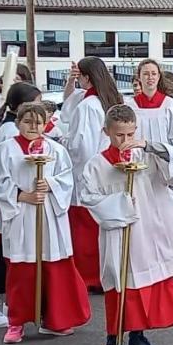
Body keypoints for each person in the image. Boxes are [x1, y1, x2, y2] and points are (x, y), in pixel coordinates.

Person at [80, 104, 173, 345]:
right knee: (118, 280)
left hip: (146, 230)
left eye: (130, 135)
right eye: (119, 136)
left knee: (142, 282)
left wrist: (148, 146)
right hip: (117, 232)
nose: (125, 141)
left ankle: (137, 336)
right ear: (107, 132)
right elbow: (88, 197)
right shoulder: (97, 165)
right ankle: (113, 337)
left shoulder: (145, 155)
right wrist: (120, 206)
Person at [0, 102, 90, 344]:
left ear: (46, 124)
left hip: (49, 215)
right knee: (22, 270)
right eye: (27, 121)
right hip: (22, 214)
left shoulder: (55, 150)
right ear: (18, 122)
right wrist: (23, 195)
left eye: (38, 122)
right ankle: (17, 322)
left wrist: (51, 185)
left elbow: (67, 179)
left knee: (53, 267)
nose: (33, 127)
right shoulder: (6, 150)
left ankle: (54, 319)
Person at [0, 82, 42, 329]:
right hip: (13, 204)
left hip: (18, 203)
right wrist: (19, 194)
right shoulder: (9, 135)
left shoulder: (13, 130)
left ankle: (4, 304)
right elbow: (4, 175)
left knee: (8, 256)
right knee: (4, 257)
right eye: (34, 103)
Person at [127, 58, 173, 243]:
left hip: (166, 168)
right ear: (139, 78)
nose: (150, 78)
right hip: (141, 167)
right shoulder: (130, 106)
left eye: (153, 73)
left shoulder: (170, 105)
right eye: (145, 74)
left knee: (168, 216)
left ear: (159, 76)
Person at [64, 56, 123, 291]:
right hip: (105, 170)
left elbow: (80, 144)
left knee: (85, 228)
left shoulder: (88, 106)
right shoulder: (107, 99)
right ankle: (105, 272)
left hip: (86, 171)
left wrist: (61, 141)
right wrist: (70, 82)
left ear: (87, 78)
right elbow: (69, 101)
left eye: (79, 77)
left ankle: (88, 276)